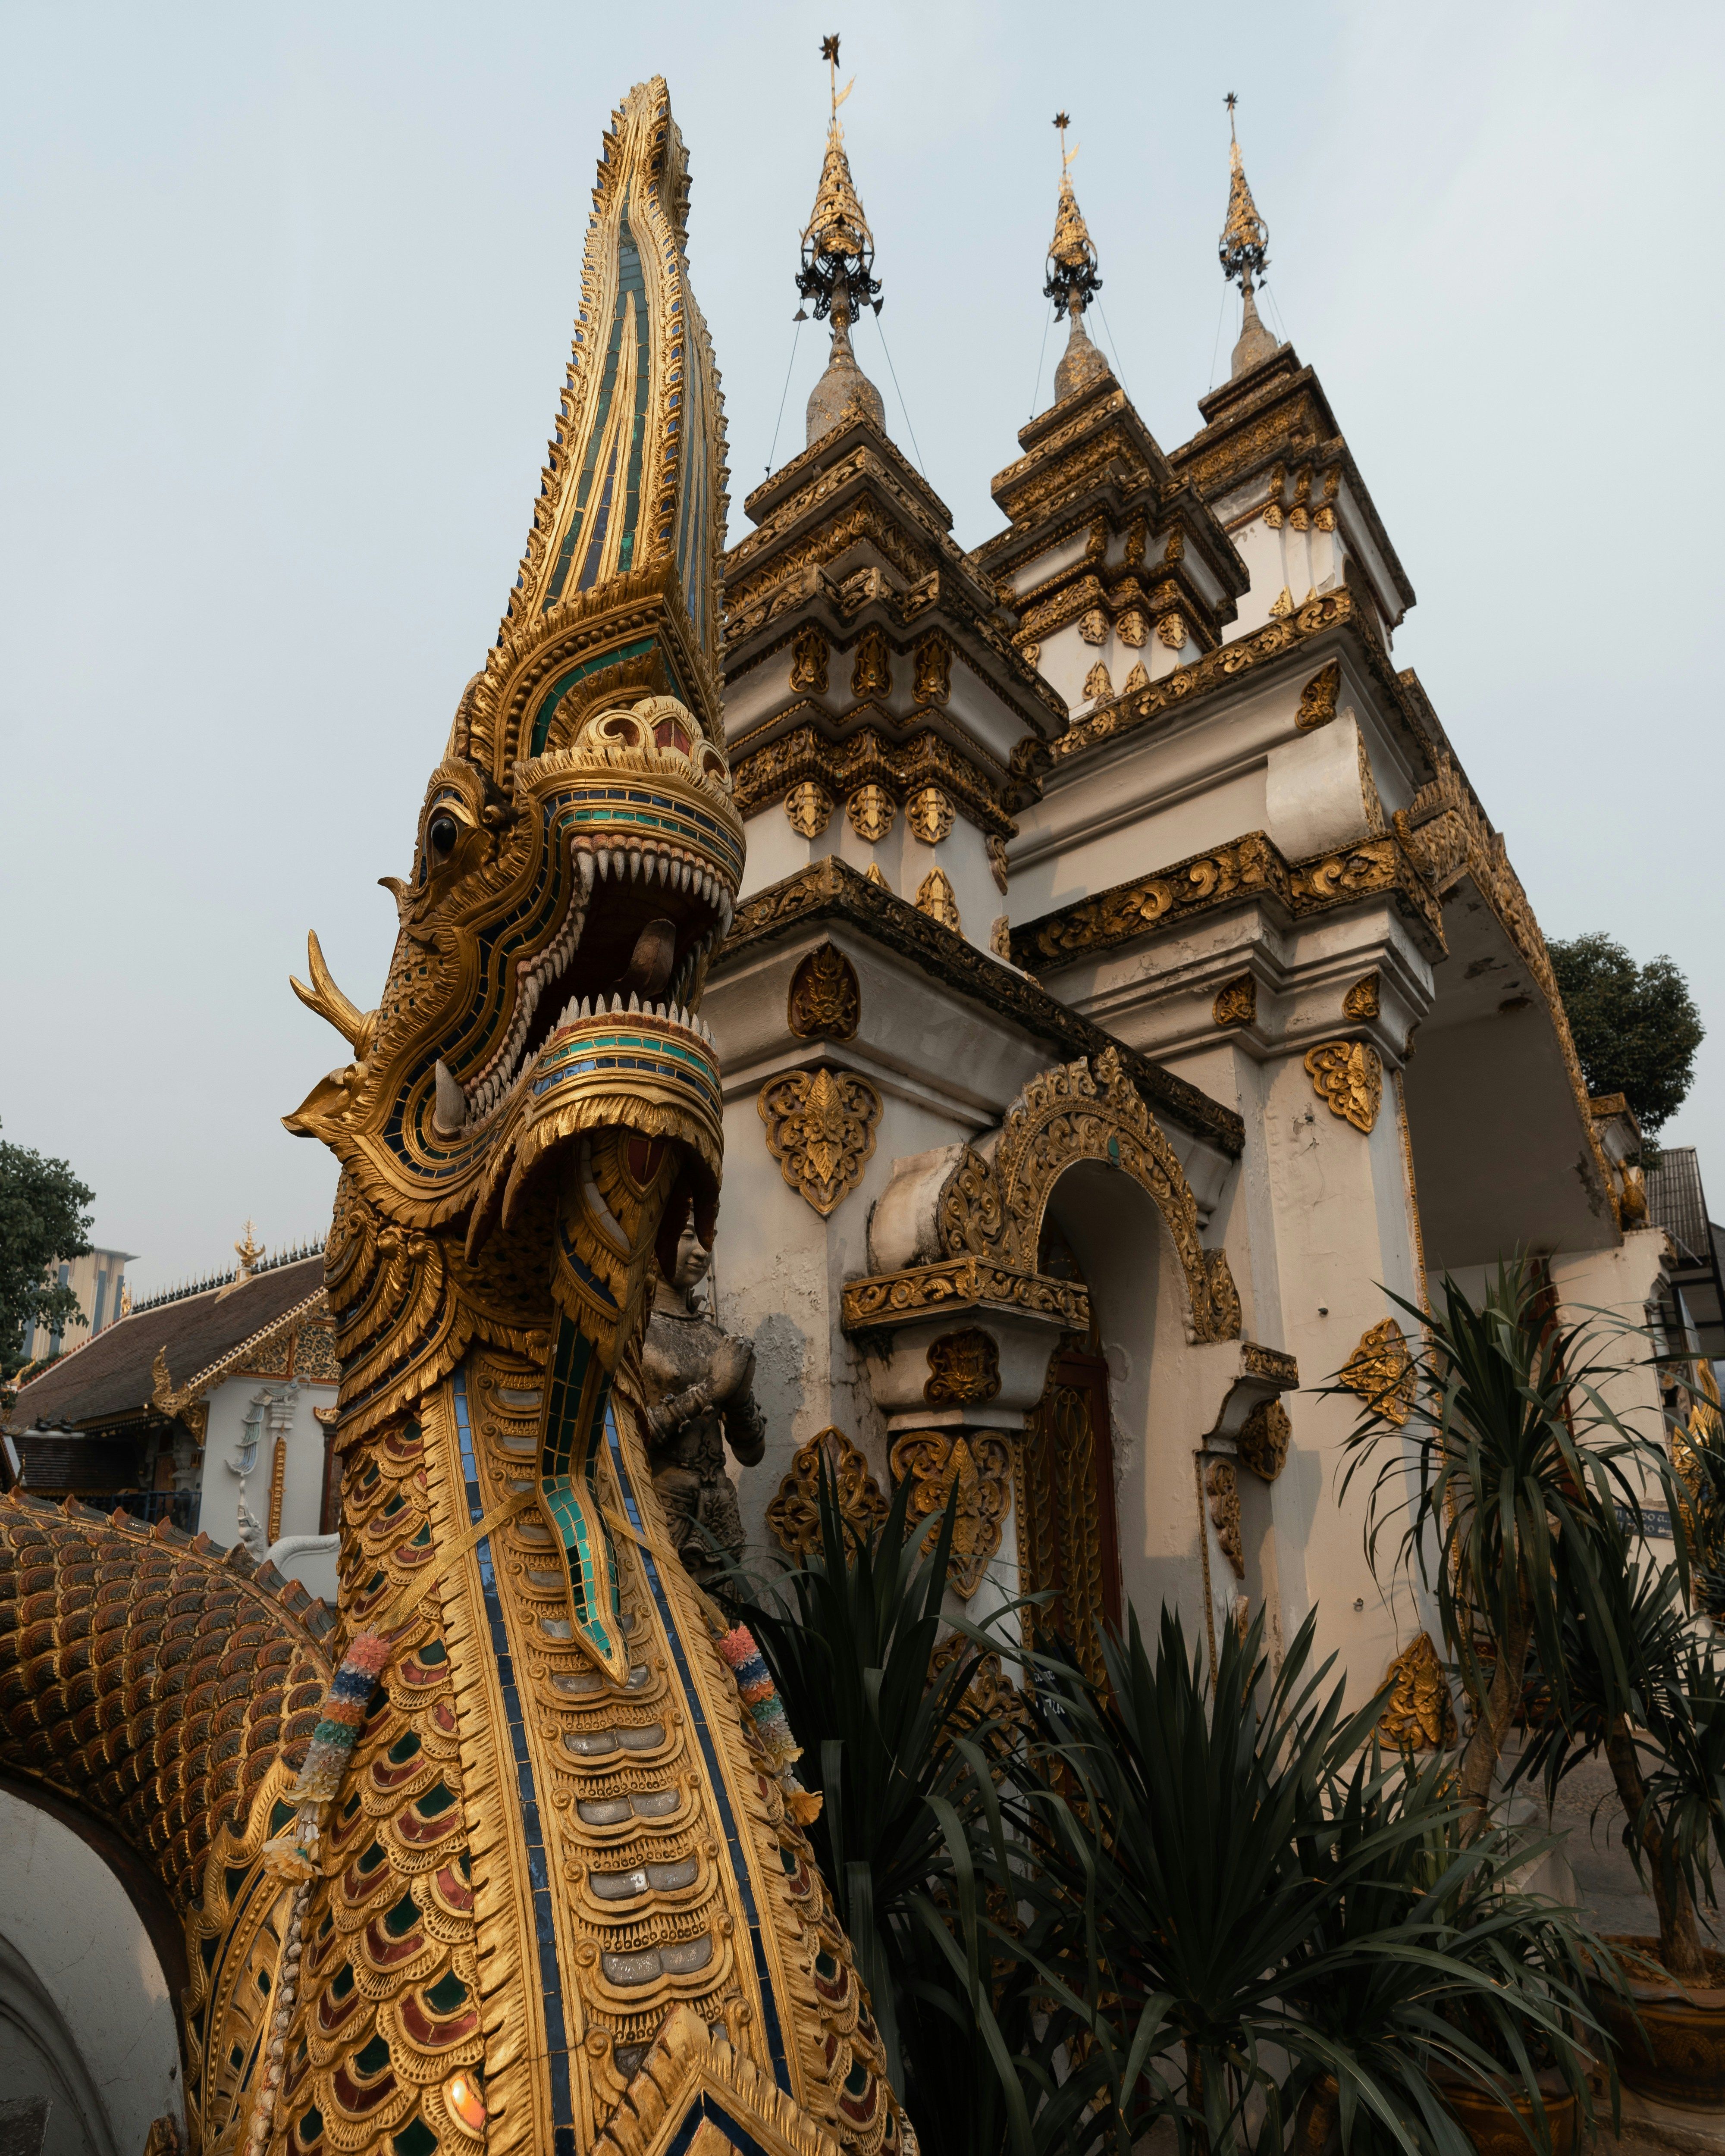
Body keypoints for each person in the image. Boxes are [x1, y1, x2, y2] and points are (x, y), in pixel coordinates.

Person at [640, 1213, 765, 1582]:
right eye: (688, 1236)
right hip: (660, 1509)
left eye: (708, 1240)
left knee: (730, 1633)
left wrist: (740, 1398)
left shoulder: (716, 1338)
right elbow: (622, 1438)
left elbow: (751, 1453)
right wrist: (709, 1393)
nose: (701, 1252)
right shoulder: (636, 1330)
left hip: (721, 1515)